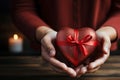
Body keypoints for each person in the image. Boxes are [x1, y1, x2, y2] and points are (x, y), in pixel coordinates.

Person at [12, 0, 119, 77]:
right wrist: (44, 33)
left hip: (104, 57)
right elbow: (23, 8)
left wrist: (107, 32)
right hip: (44, 58)